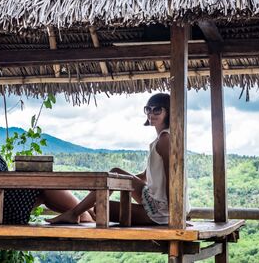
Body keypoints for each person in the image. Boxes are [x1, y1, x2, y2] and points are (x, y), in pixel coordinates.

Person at [47, 93, 189, 225]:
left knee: (100, 208)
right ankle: (74, 213)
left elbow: (173, 177)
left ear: (168, 112)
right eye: (148, 109)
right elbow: (146, 176)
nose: (151, 113)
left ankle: (74, 213)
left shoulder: (165, 139)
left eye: (157, 110)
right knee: (115, 173)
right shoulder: (162, 138)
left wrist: (175, 213)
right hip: (154, 198)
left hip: (163, 210)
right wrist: (113, 183)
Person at [0, 99, 94, 224]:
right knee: (42, 184)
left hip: (0, 201)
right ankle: (84, 216)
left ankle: (81, 215)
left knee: (42, 188)